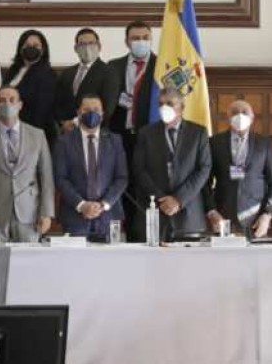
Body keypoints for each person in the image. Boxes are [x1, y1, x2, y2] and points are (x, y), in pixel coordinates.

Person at [0, 86, 54, 243]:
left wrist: (47, 213)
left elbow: (46, 177)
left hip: (30, 214)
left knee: (29, 264)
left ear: (20, 104)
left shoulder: (38, 135)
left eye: (12, 100)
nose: (7, 104)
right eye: (2, 100)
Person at [132, 88, 211, 241]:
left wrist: (178, 200)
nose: (164, 107)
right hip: (155, 214)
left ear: (181, 107)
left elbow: (204, 169)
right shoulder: (146, 133)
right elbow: (139, 170)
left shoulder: (198, 133)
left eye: (169, 103)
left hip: (188, 217)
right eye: (160, 104)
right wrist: (162, 199)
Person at [107, 21, 157, 241]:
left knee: (145, 188)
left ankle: (144, 236)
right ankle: (121, 234)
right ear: (126, 41)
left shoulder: (161, 65)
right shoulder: (113, 66)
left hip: (149, 137)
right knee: (120, 185)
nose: (140, 42)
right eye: (135, 38)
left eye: (145, 37)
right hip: (120, 136)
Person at [53, 95, 128, 240]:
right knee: (76, 262)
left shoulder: (115, 141)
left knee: (110, 262)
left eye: (96, 109)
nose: (91, 113)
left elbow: (122, 177)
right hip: (74, 218)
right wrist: (82, 205)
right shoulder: (64, 142)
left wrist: (103, 204)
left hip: (109, 216)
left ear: (102, 114)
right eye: (86, 109)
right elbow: (60, 178)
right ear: (79, 113)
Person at [203, 100, 272, 238]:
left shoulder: (264, 143)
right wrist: (211, 212)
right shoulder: (214, 142)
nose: (239, 116)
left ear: (252, 118)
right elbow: (205, 182)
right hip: (222, 219)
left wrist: (268, 215)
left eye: (244, 112)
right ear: (228, 117)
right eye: (234, 112)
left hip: (256, 220)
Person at [53, 28, 119, 132]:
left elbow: (108, 107)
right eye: (82, 44)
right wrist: (63, 123)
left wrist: (76, 123)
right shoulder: (67, 73)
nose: (87, 47)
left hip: (95, 131)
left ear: (99, 46)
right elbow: (58, 101)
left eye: (91, 43)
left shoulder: (108, 72)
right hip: (67, 133)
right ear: (76, 48)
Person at [3, 29, 57, 146]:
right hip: (9, 128)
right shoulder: (13, 70)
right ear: (20, 48)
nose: (31, 48)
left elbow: (42, 110)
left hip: (32, 134)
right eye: (27, 45)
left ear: (43, 50)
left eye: (36, 45)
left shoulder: (47, 74)